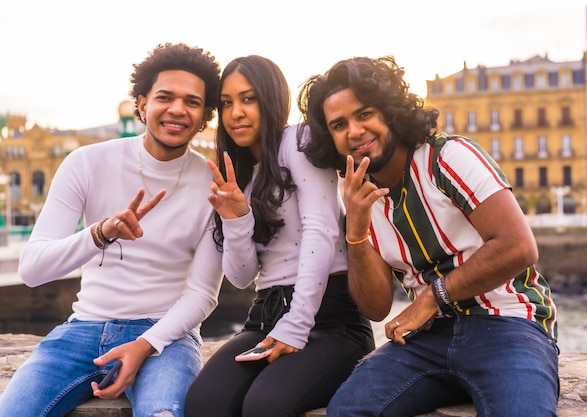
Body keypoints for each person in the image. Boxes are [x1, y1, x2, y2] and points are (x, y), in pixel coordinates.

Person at [296, 56, 560, 417]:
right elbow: (376, 307)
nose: (354, 131)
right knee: (347, 410)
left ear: (389, 112)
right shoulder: (360, 197)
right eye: (339, 124)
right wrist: (355, 232)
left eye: (364, 114)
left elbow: (519, 246)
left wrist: (431, 298)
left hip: (508, 322)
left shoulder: (448, 157)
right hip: (426, 339)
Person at [0, 42, 224, 417]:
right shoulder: (86, 163)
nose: (177, 109)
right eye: (164, 97)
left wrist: (145, 344)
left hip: (165, 337)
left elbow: (203, 294)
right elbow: (33, 269)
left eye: (192, 101)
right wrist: (99, 234)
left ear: (205, 116)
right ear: (141, 104)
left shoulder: (215, 184)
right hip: (82, 329)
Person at [184, 55, 375, 417]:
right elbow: (241, 277)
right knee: (203, 403)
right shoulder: (238, 175)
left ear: (272, 100)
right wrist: (238, 220)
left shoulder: (298, 140)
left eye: (248, 98)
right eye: (227, 103)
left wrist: (297, 324)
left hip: (330, 320)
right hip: (264, 316)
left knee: (265, 406)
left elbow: (321, 229)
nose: (236, 112)